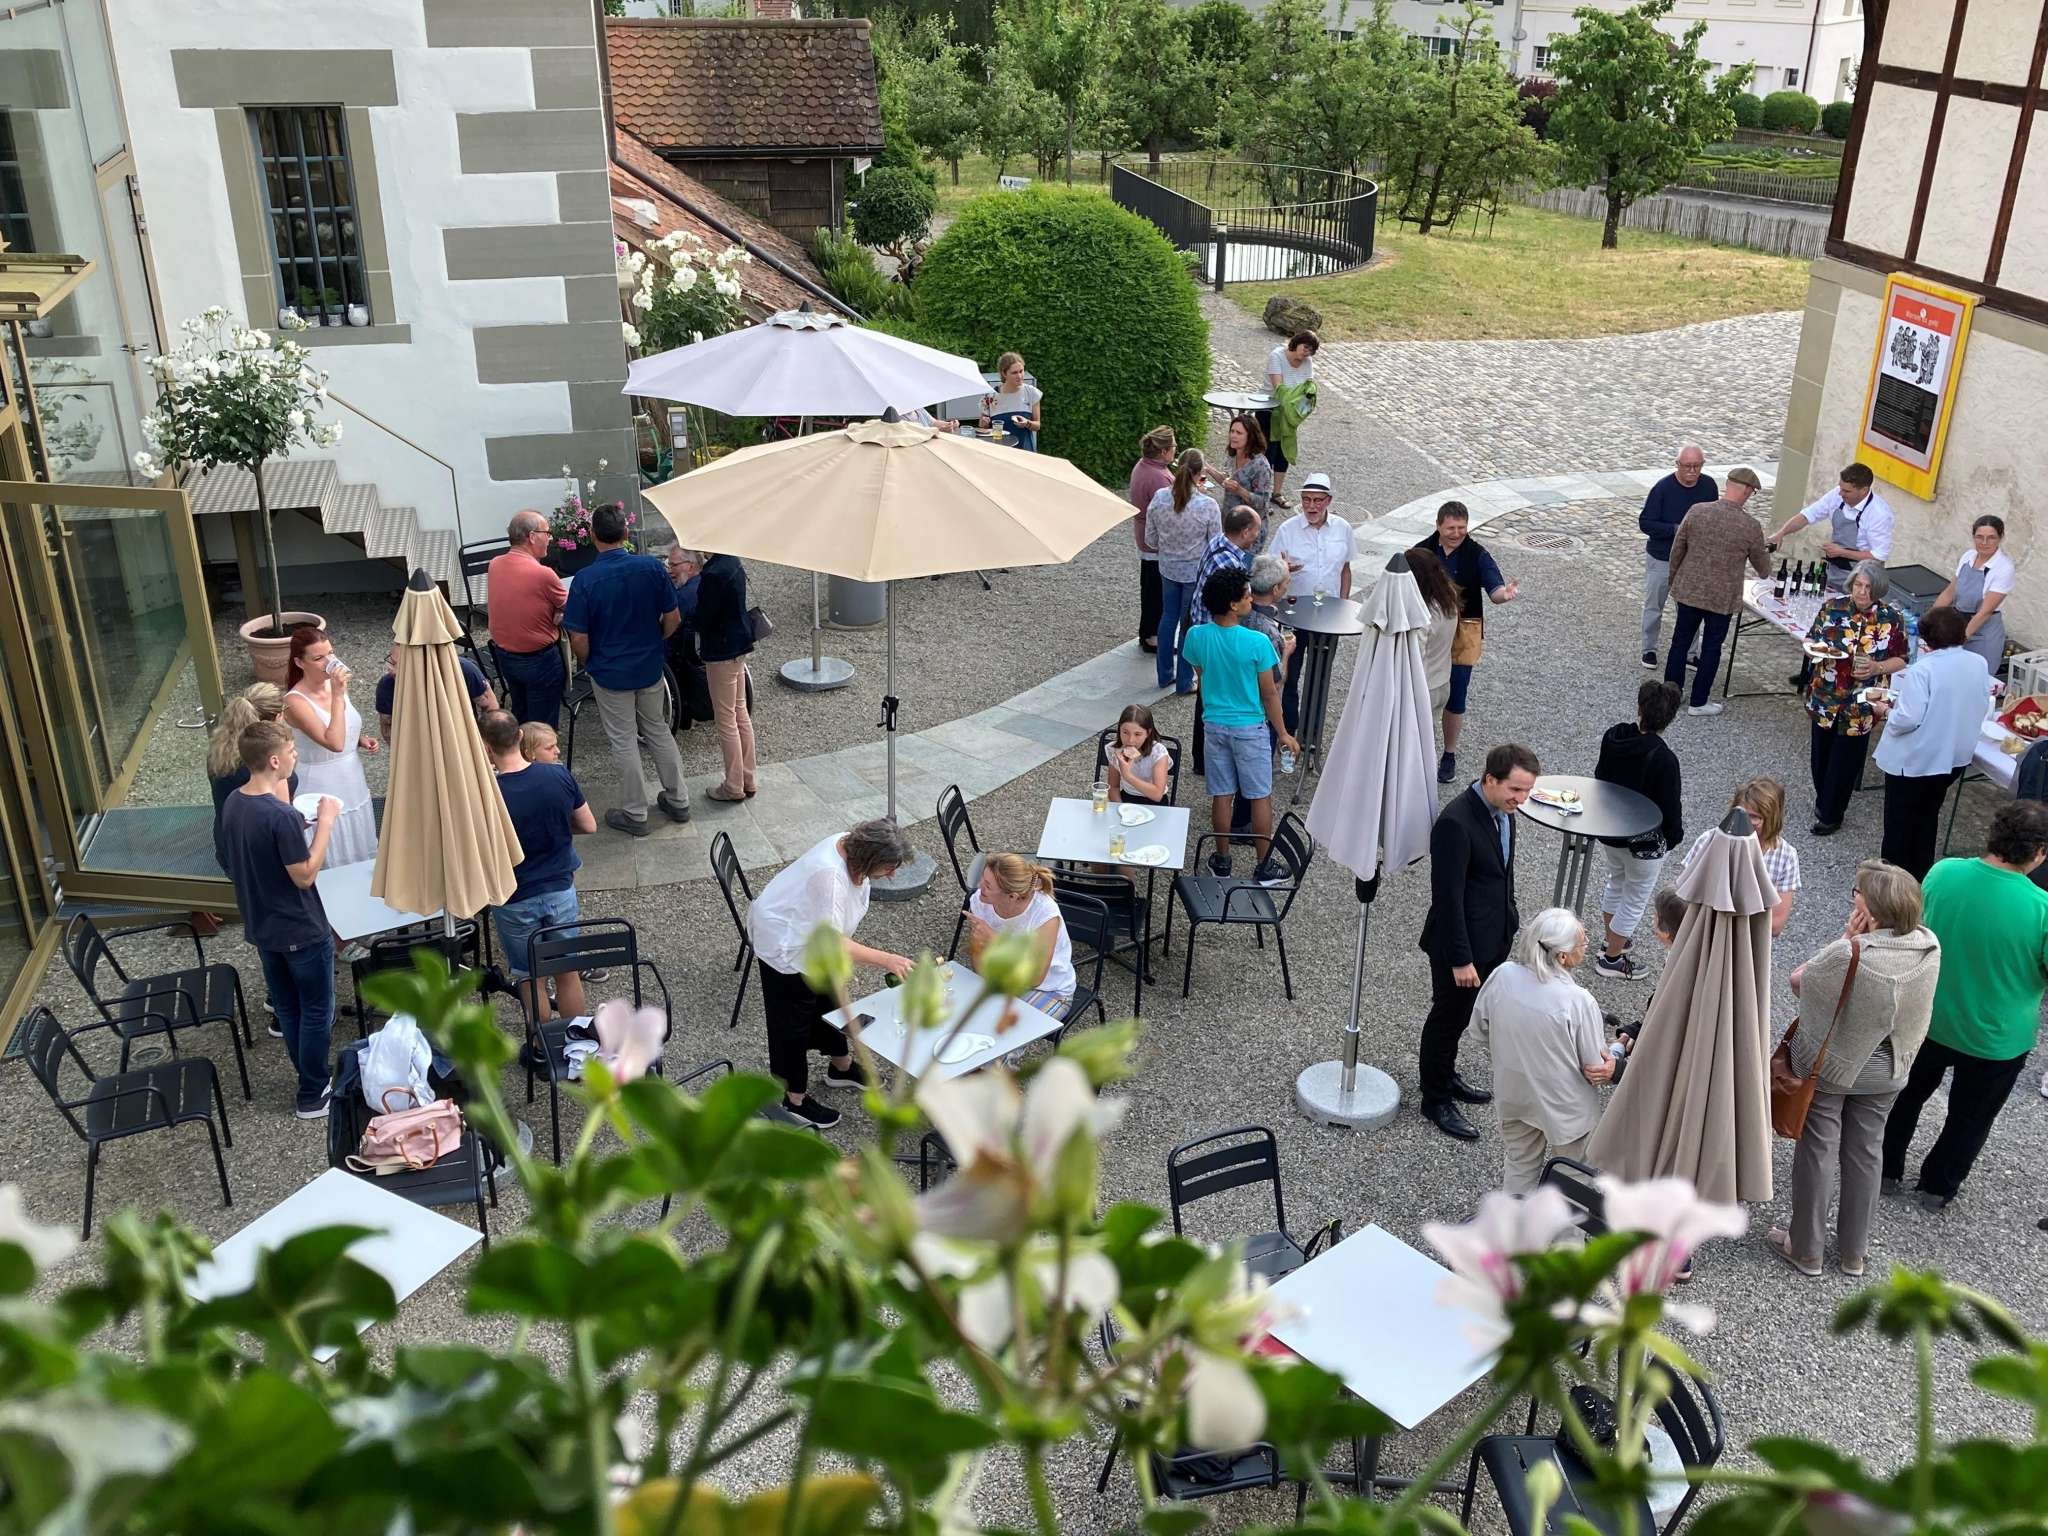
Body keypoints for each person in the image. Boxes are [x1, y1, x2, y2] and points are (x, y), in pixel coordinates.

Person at [1769, 860, 1939, 1277]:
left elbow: (1799, 982)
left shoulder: (1852, 951)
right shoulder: (1928, 946)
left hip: (1833, 1067)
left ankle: (1806, 1248)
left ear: (1872, 912)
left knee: (1819, 1149)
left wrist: (1846, 938)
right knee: (1866, 1152)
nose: (1853, 897)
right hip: (1891, 1067)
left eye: (1857, 894)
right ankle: (1853, 1253)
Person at [1881, 800, 2048, 1210]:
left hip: (1928, 1017)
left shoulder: (1943, 873)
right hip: (1997, 1037)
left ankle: (1884, 1167)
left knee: (1904, 1095)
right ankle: (1937, 1186)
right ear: (2039, 852)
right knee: (1971, 1117)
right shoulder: (2042, 908)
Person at [746, 819, 917, 1128]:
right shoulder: (829, 878)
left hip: (814, 942)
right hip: (786, 944)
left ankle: (841, 1067)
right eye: (889, 868)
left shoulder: (852, 846)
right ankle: (792, 1099)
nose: (892, 875)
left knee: (829, 1002)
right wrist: (888, 960)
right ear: (869, 858)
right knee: (791, 1024)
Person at [218, 721, 340, 1118]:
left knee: (288, 1009)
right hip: (300, 928)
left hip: (263, 927)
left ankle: (309, 1080)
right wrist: (325, 824)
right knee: (317, 1010)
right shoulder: (280, 815)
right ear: (274, 761)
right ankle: (313, 1090)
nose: (295, 755)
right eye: (291, 750)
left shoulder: (235, 802)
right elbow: (304, 876)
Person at [1418, 742, 1539, 1142]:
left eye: (1527, 791)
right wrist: (1461, 959)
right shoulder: (1456, 823)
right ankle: (1435, 1099)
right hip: (1461, 949)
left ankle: (1446, 1075)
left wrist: (1510, 916)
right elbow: (1447, 899)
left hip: (1490, 938)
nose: (1521, 799)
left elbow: (1503, 872)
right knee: (1446, 1018)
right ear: (1490, 779)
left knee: (1460, 1016)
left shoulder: (1504, 811)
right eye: (1515, 789)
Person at [561, 502, 691, 836]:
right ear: (627, 533)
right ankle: (678, 799)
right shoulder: (651, 567)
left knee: (623, 740)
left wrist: (590, 662)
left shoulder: (586, 580)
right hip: (649, 666)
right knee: (657, 729)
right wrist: (656, 642)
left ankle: (635, 813)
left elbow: (578, 636)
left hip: (610, 672)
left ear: (592, 535)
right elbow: (673, 617)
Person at [1471, 908, 1616, 1192]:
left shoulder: (1502, 975)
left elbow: (1478, 1030)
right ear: (1562, 956)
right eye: (1582, 942)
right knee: (1571, 1180)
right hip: (1567, 1109)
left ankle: (1515, 1220)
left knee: (1519, 1166)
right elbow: (1593, 1066)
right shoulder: (1578, 1001)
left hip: (1515, 1094)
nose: (1587, 945)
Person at [1180, 567, 1300, 883]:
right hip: (1250, 728)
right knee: (1259, 795)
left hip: (1214, 725)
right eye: (1246, 595)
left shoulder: (1196, 636)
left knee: (1222, 794)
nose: (1251, 599)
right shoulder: (1257, 642)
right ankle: (1263, 865)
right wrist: (1283, 732)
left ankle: (1222, 860)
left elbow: (1202, 674)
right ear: (1233, 604)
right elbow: (1270, 692)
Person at [482, 709, 596, 1026]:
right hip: (559, 889)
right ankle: (576, 1041)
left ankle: (541, 1043)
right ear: (520, 736)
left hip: (514, 896)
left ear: (486, 747)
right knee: (567, 971)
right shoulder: (558, 776)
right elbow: (587, 824)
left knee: (530, 976)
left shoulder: (486, 795)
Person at [1871, 606, 1991, 879]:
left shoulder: (1923, 670)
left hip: (1916, 759)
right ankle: (1920, 875)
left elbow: (1908, 719)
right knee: (1927, 817)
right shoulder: (1978, 663)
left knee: (1899, 824)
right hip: (1952, 756)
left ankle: (1891, 882)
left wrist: (1886, 711)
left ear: (1927, 639)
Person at [1412, 502, 1519, 785]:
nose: (1457, 533)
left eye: (1462, 528)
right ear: (1438, 526)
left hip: (1462, 633)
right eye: (1451, 528)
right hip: (1429, 631)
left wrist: (1504, 595)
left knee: (1456, 695)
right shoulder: (1423, 551)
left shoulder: (1476, 554)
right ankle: (1417, 751)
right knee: (1420, 688)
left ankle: (1449, 753)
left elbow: (1494, 590)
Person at [1801, 559, 1911, 836]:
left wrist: (1877, 667)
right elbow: (1811, 638)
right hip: (1826, 694)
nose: (1862, 591)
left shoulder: (1891, 619)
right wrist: (1814, 650)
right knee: (1821, 754)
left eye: (1868, 587)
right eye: (1858, 585)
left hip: (1861, 701)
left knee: (1846, 760)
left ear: (1879, 590)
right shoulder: (1833, 607)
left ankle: (1831, 813)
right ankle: (1824, 799)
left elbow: (1902, 658)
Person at [1591, 680, 1684, 981]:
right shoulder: (1664, 759)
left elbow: (1599, 777)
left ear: (1640, 707)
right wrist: (1672, 838)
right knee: (1634, 897)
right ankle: (1612, 958)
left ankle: (1612, 939)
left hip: (1610, 830)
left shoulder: (1614, 736)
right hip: (1644, 841)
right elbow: (1670, 809)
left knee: (1616, 883)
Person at [1664, 465, 1770, 718]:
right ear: (1747, 491)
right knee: (1711, 649)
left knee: (1680, 642)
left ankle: (1670, 696)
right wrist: (1766, 552)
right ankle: (1698, 702)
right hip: (1722, 599)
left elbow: (1677, 549)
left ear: (1728, 485)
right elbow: (1763, 569)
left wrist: (1674, 581)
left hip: (1690, 590)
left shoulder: (1697, 511)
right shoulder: (1750, 526)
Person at [281, 625, 380, 867]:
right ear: (300, 663)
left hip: (352, 778)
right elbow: (333, 742)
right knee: (331, 842)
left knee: (359, 839)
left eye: (330, 653)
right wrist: (337, 694)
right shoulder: (295, 702)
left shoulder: (333, 685)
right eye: (318, 658)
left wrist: (358, 739)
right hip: (320, 783)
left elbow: (341, 726)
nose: (329, 662)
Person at [1267, 472, 1357, 733]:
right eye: (1306, 500)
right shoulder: (1288, 530)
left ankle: (1312, 732)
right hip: (1292, 614)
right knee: (1289, 673)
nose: (1311, 506)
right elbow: (1271, 570)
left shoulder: (1343, 528)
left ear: (1328, 501)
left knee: (1320, 676)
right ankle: (1289, 731)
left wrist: (1343, 605)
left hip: (1329, 616)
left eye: (1317, 500)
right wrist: (1283, 569)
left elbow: (1345, 570)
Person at [1681, 777, 1800, 936]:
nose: (1746, 822)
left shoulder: (1785, 857)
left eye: (1754, 817)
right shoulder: (1708, 841)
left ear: (1772, 818)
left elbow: (1775, 925)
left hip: (1749, 945)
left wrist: (1722, 920)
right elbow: (1682, 898)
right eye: (1741, 814)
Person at [967, 854, 1076, 1020]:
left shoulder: (1044, 914)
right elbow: (979, 964)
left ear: (1012, 896)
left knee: (1004, 1031)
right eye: (982, 878)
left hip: (1049, 990)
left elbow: (1035, 978)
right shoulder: (980, 901)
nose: (979, 886)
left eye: (987, 885)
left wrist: (996, 940)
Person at [1148, 450, 1223, 693]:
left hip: (1168, 568)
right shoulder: (1207, 506)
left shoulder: (1159, 498)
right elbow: (1215, 544)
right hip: (1194, 573)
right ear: (1200, 474)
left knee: (1168, 617)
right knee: (1188, 624)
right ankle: (1184, 680)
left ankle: (1164, 675)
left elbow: (1150, 539)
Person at [488, 508, 570, 727]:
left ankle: (520, 747)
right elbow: (574, 608)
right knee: (542, 727)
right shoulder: (543, 574)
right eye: (547, 533)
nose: (550, 538)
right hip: (540, 661)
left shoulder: (495, 564)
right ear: (532, 536)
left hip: (505, 657)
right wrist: (559, 611)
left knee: (521, 715)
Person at [1638, 445, 1718, 669]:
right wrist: (1676, 530)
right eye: (1687, 466)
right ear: (1678, 465)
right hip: (1662, 557)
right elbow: (1646, 523)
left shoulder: (1708, 486)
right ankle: (1649, 649)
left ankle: (1690, 653)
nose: (1692, 471)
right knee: (1654, 605)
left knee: (1691, 608)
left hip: (1692, 559)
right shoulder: (1662, 489)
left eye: (1697, 466)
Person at [1767, 461, 1895, 594]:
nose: (1840, 494)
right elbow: (1807, 515)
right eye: (1840, 488)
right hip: (1834, 570)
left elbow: (1878, 557)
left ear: (1863, 490)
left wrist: (1842, 552)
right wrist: (1781, 533)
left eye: (1847, 491)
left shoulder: (1879, 514)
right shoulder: (1837, 495)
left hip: (1862, 578)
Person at [208, 683, 296, 874]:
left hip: (228, 844)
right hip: (259, 853)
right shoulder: (266, 761)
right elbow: (282, 814)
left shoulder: (220, 747)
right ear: (277, 717)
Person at [694, 545, 758, 803]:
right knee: (740, 713)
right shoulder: (732, 561)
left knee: (726, 719)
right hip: (739, 645)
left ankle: (733, 786)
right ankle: (748, 778)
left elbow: (704, 617)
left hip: (721, 650)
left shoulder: (713, 573)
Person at [1931, 514, 2013, 675]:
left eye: (1991, 538)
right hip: (1957, 624)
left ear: (2001, 538)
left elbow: (1985, 612)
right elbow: (1949, 592)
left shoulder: (2003, 568)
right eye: (1979, 537)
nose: (1984, 542)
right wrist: (1930, 621)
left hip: (1983, 634)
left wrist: (1959, 641)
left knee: (1975, 678)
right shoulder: (1968, 556)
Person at [376, 643, 496, 744]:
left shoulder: (462, 670)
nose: (392, 670)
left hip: (462, 739)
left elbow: (490, 706)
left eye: (402, 667)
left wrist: (484, 744)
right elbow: (388, 729)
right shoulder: (387, 686)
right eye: (391, 662)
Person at [1128, 426, 1176, 654]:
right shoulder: (1159, 477)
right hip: (1155, 540)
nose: (1175, 450)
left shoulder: (1144, 466)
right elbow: (1170, 512)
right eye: (1173, 446)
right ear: (1164, 451)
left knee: (1149, 587)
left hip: (1144, 535)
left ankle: (1147, 632)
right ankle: (1152, 636)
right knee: (1156, 591)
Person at [1261, 329, 1319, 507]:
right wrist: (1296, 398)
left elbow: (1308, 388)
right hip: (1270, 409)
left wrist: (1302, 404)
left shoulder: (1307, 362)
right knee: (1267, 453)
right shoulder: (1277, 356)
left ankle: (1277, 493)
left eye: (1311, 350)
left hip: (1290, 413)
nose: (1306, 353)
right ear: (1296, 343)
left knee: (1284, 452)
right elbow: (1278, 388)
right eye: (1305, 347)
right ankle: (1261, 495)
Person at [662, 544, 714, 733]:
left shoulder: (684, 596)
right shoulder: (708, 582)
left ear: (690, 566)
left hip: (682, 654)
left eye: (674, 565)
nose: (670, 570)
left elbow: (667, 624)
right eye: (668, 565)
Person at [1405, 545, 1462, 716]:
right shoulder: (1449, 597)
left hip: (1422, 688)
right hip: (1442, 681)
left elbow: (1415, 656)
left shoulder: (1423, 614)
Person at [1218, 415, 1272, 546]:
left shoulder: (1260, 466)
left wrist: (1239, 490)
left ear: (1250, 437)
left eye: (1239, 433)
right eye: (1232, 431)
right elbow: (1227, 481)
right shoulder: (1232, 455)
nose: (1233, 436)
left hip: (1248, 532)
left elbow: (1263, 503)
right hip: (1229, 524)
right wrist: (1207, 468)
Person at [1104, 703, 1171, 805]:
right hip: (1127, 798)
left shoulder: (1158, 753)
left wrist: (1128, 775)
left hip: (1154, 802)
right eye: (1125, 732)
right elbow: (1113, 787)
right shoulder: (1115, 750)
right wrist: (1121, 807)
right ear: (1119, 730)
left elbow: (1157, 795)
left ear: (1148, 733)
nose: (1130, 740)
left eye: (1137, 734)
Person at [979, 351, 1042, 452]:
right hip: (998, 452)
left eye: (1021, 371)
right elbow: (982, 427)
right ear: (1004, 373)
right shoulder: (989, 397)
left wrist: (1027, 423)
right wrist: (984, 423)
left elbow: (1037, 425)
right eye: (1014, 373)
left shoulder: (1031, 393)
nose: (1019, 376)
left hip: (1025, 451)